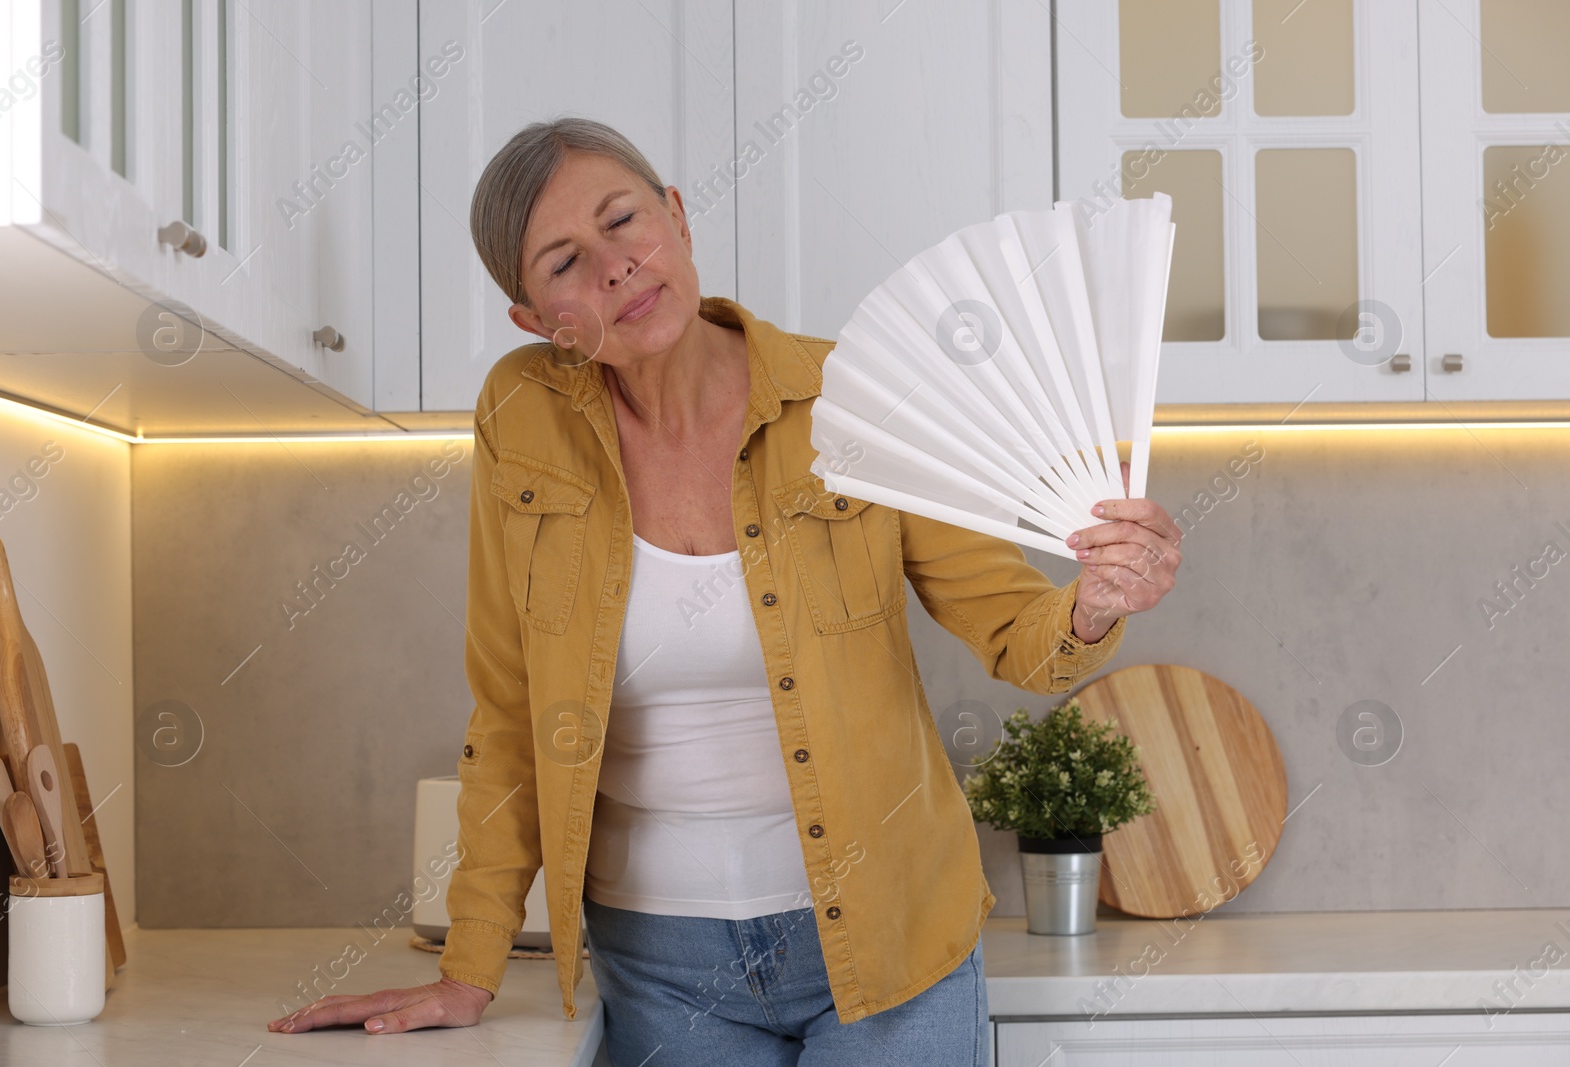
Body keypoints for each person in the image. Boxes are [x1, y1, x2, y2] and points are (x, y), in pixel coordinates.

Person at [268, 117, 1181, 1064]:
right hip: (663, 970)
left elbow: (1010, 625)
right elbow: (509, 711)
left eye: (624, 220)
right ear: (537, 322)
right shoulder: (521, 415)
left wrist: (1095, 599)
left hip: (889, 941)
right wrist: (470, 968)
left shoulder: (854, 396)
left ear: (678, 217)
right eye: (565, 263)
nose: (615, 266)